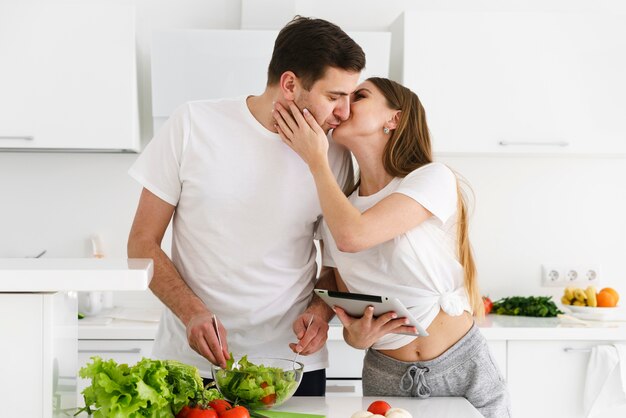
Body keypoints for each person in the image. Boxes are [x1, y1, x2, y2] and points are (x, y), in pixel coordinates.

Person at [127, 16, 365, 396]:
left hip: (291, 368)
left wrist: (320, 312)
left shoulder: (332, 153)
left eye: (351, 98)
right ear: (290, 84)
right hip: (191, 362)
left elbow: (335, 262)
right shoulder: (193, 124)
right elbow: (141, 242)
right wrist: (192, 313)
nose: (345, 112)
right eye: (334, 96)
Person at [272, 77, 511, 416]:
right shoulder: (338, 210)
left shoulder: (431, 178)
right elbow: (336, 282)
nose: (344, 104)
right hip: (385, 373)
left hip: (461, 368)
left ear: (394, 119)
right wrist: (352, 334)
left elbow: (353, 237)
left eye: (360, 95)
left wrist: (316, 160)